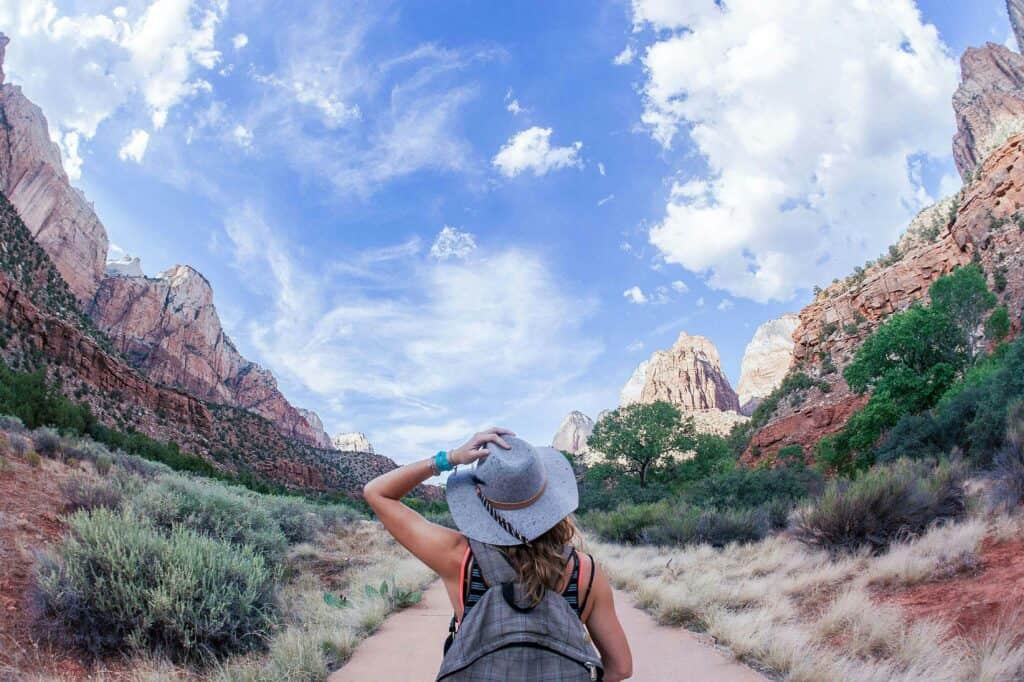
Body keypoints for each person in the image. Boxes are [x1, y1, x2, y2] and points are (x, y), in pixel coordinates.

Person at [364, 427, 633, 681]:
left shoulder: (458, 557)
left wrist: (449, 459)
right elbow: (621, 668)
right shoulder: (585, 572)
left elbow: (377, 493)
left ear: (479, 497)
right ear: (548, 496)